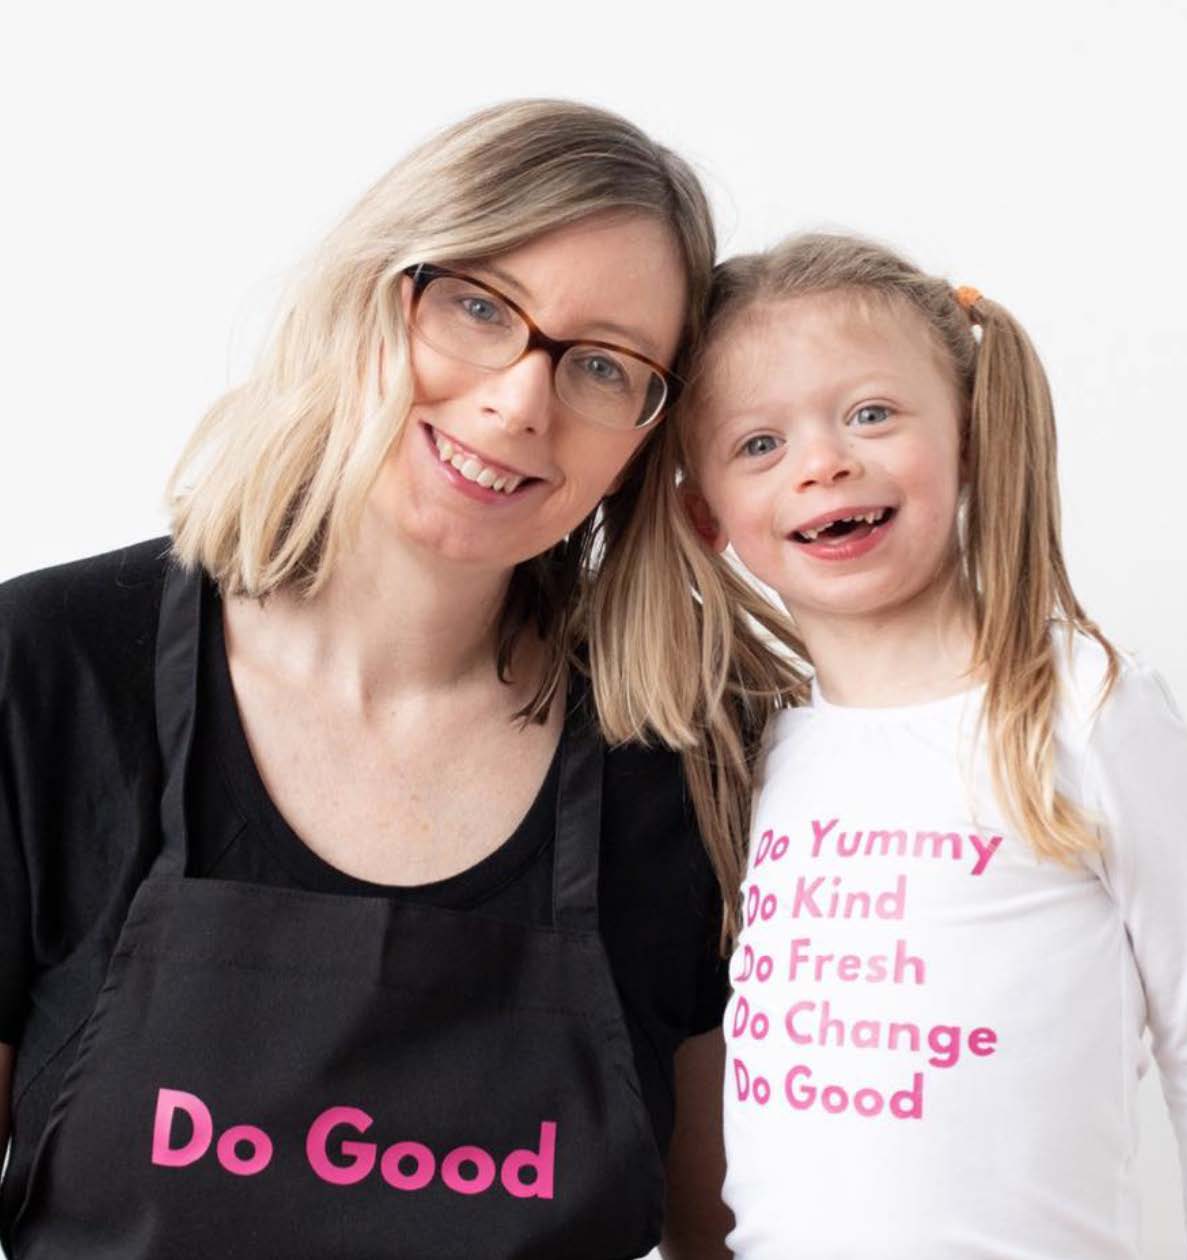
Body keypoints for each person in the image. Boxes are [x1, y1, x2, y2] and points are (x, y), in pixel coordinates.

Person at [0, 100, 737, 1259]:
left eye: (603, 364)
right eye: (480, 308)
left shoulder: (686, 765)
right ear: (371, 292)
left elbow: (734, 1242)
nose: (517, 400)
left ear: (649, 436)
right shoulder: (48, 670)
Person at [666, 233, 1187, 1257]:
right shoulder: (762, 754)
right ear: (708, 516)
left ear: (971, 438)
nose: (823, 462)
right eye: (758, 444)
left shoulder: (1084, 707)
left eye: (870, 413)